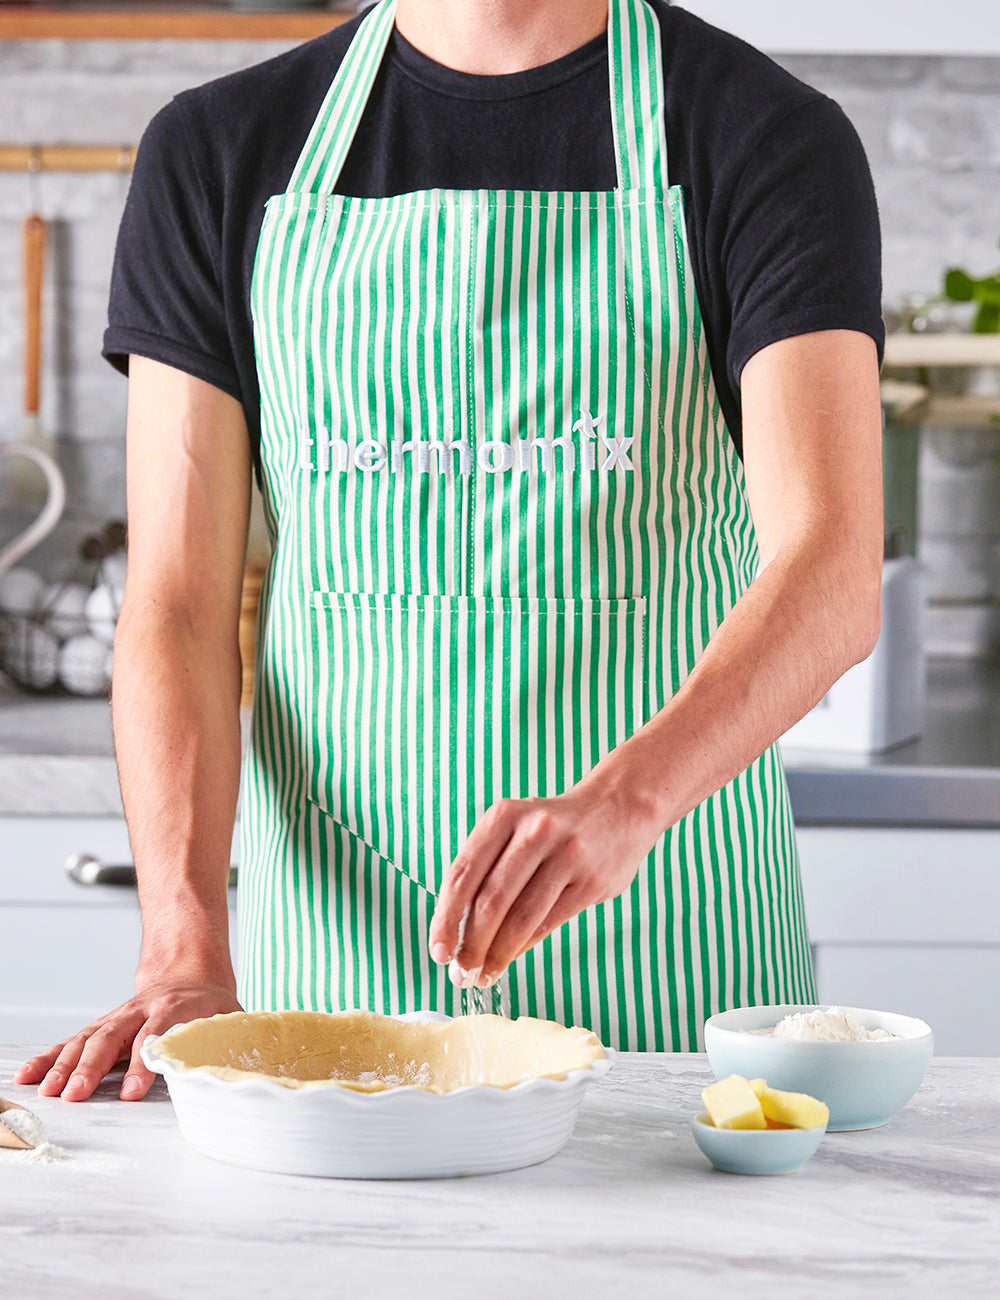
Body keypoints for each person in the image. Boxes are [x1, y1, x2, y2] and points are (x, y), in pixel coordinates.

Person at [17, 0, 883, 1103]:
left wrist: (625, 803)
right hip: (328, 987)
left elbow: (830, 567)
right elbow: (178, 606)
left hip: (676, 956)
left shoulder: (762, 134)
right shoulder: (221, 149)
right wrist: (184, 952)